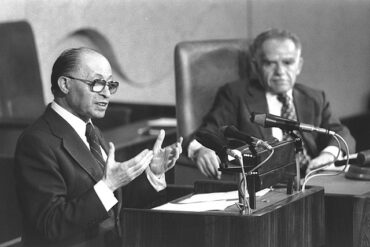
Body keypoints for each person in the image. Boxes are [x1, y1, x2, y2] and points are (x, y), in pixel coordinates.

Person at [14, 47, 183, 247]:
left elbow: (114, 206)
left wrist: (153, 174)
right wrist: (108, 185)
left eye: (110, 84)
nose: (106, 94)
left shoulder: (92, 131)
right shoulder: (36, 141)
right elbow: (52, 224)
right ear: (65, 84)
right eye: (97, 83)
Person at [187, 28, 355, 179]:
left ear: (299, 66)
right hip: (267, 187)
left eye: (288, 62)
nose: (280, 72)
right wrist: (201, 151)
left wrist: (329, 155)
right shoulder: (235, 94)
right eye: (270, 63)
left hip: (314, 180)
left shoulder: (314, 97)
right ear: (256, 66)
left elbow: (341, 133)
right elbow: (206, 132)